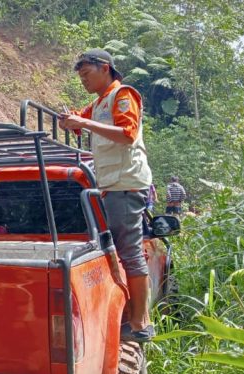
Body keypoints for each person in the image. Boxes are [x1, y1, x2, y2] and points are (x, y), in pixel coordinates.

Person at [58, 49, 155, 343]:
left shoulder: (123, 95)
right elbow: (79, 120)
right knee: (119, 250)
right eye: (81, 77)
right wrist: (71, 120)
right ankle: (132, 315)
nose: (84, 80)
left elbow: (127, 133)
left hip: (126, 184)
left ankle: (140, 324)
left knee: (129, 252)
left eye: (87, 74)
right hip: (112, 185)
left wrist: (83, 123)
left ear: (105, 68)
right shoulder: (99, 102)